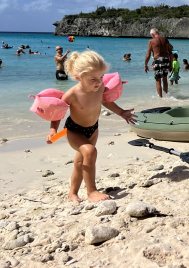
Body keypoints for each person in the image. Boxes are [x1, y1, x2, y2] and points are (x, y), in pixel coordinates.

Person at [46, 50, 136, 203]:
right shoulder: (72, 94)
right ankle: (92, 191)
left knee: (81, 162)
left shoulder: (99, 88)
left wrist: (121, 112)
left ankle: (72, 193)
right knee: (90, 151)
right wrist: (53, 130)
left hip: (93, 128)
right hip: (74, 129)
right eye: (93, 78)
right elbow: (58, 112)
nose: (98, 82)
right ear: (78, 77)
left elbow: (106, 101)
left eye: (101, 77)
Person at [145, 28, 173, 98]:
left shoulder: (151, 41)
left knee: (158, 80)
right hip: (166, 59)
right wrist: (171, 64)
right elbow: (170, 53)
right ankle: (166, 96)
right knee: (165, 78)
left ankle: (160, 98)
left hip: (158, 60)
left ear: (152, 34)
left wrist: (145, 65)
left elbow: (148, 55)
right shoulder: (165, 40)